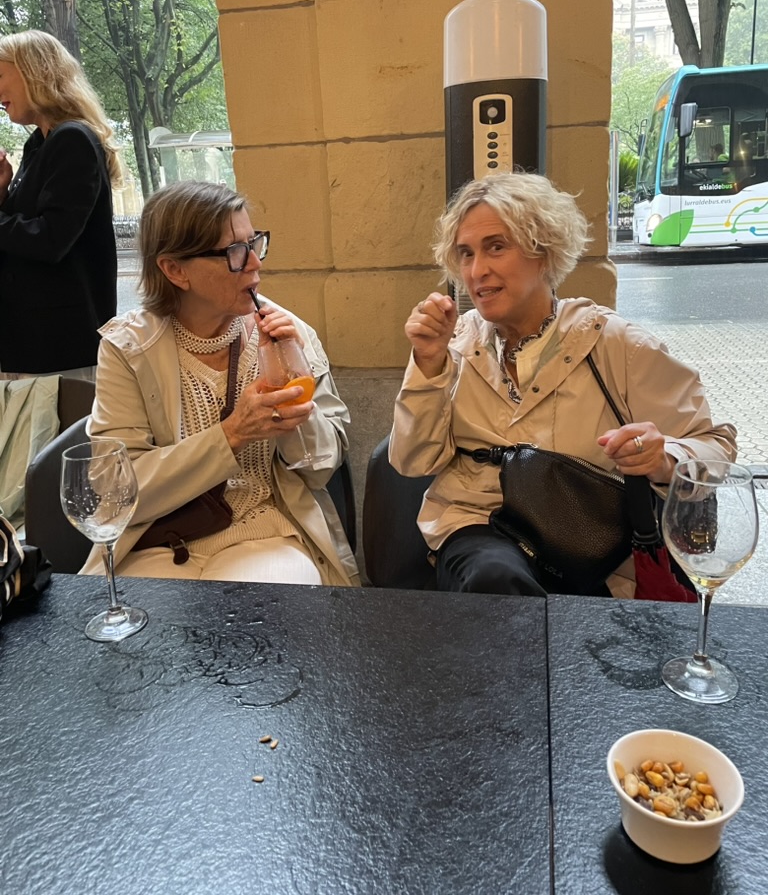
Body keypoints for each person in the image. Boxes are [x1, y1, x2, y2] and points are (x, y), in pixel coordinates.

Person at [389, 172, 736, 598]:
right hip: (480, 526)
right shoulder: (454, 344)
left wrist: (664, 457)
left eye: (496, 247)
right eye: (466, 253)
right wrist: (427, 365)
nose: (477, 271)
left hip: (597, 543)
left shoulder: (615, 344)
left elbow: (714, 447)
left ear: (544, 251)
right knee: (494, 578)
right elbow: (413, 462)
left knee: (583, 610)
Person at [81, 180, 359, 587]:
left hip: (266, 530)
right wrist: (232, 434)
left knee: (257, 619)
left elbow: (320, 468)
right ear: (174, 270)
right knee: (145, 626)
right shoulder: (128, 349)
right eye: (234, 252)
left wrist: (294, 397)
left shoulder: (288, 334)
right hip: (158, 539)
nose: (255, 263)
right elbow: (115, 491)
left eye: (254, 243)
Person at [0, 29, 120, 379]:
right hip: (34, 346)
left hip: (61, 349)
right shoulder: (39, 143)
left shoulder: (72, 139)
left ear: (33, 72)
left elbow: (50, 239)